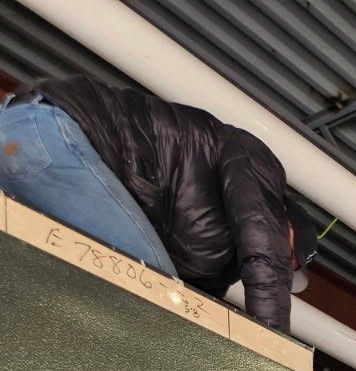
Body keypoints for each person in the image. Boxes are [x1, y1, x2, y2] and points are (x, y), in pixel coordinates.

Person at [0, 74, 317, 332]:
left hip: (25, 143)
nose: (284, 265)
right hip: (51, 128)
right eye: (290, 255)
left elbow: (195, 311)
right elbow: (264, 243)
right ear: (285, 220)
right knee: (158, 304)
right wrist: (272, 355)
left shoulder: (217, 263)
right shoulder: (261, 167)